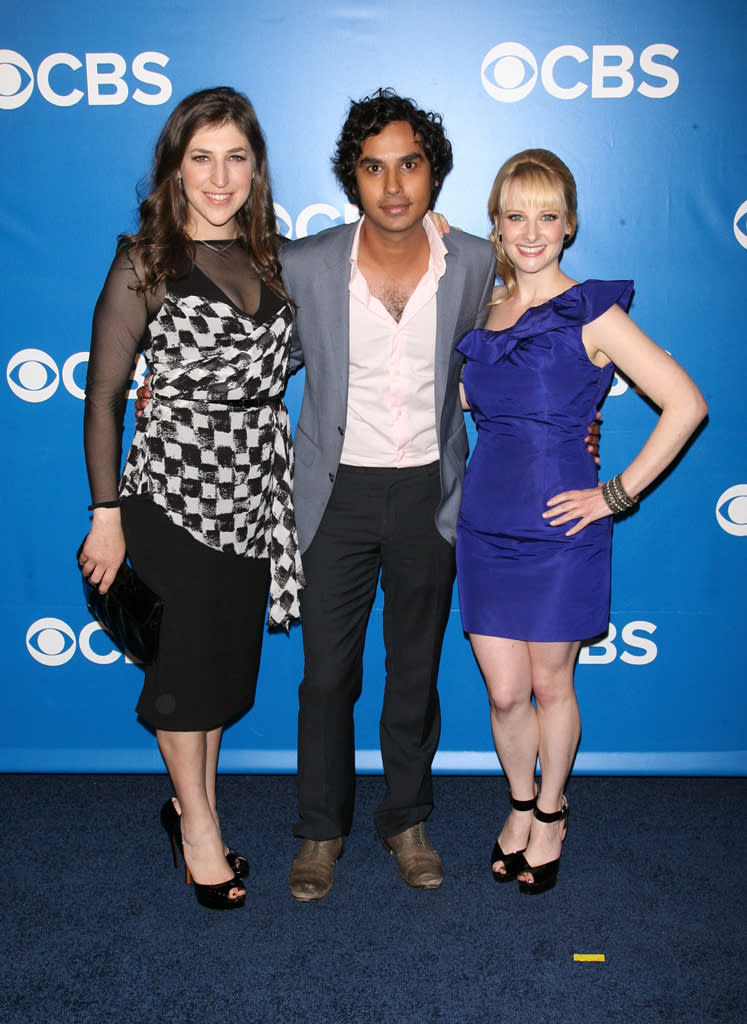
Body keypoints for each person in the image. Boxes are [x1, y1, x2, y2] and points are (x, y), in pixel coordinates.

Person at [281, 91, 603, 902]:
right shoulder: (306, 263)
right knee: (326, 678)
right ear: (351, 178)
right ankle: (320, 832)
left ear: (434, 176)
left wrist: (579, 436)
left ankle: (407, 820)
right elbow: (251, 357)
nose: (393, 185)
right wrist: (172, 390)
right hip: (336, 494)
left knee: (414, 672)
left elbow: (541, 348)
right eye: (373, 167)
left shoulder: (475, 263)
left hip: (433, 490)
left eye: (410, 164)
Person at [456, 149, 707, 894]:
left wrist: (615, 494)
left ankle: (551, 813)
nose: (530, 232)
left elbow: (685, 404)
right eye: (514, 216)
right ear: (496, 226)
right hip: (484, 522)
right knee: (503, 692)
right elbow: (467, 405)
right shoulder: (481, 313)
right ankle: (518, 804)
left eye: (546, 216)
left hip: (563, 526)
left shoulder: (593, 311)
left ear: (568, 226)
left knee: (549, 683)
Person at [79, 87, 304, 911]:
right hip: (169, 495)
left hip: (253, 496)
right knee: (184, 668)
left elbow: (357, 348)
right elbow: (104, 396)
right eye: (200, 157)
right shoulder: (145, 261)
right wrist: (106, 514)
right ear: (175, 167)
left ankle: (188, 807)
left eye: (235, 157)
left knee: (216, 673)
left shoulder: (276, 258)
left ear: (256, 167)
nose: (219, 176)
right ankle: (202, 833)